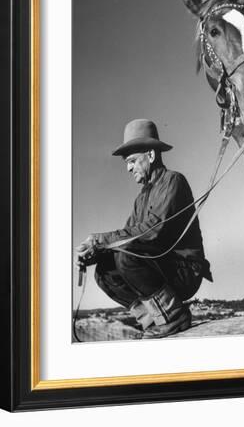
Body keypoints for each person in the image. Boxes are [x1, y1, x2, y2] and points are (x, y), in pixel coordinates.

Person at [76, 119, 212, 339]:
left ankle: (174, 317)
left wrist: (99, 240)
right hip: (163, 268)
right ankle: (152, 320)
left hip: (185, 271)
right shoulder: (141, 199)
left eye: (131, 161)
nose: (128, 168)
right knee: (103, 272)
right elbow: (124, 238)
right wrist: (93, 254)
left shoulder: (173, 181)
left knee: (126, 256)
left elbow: (151, 231)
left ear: (150, 156)